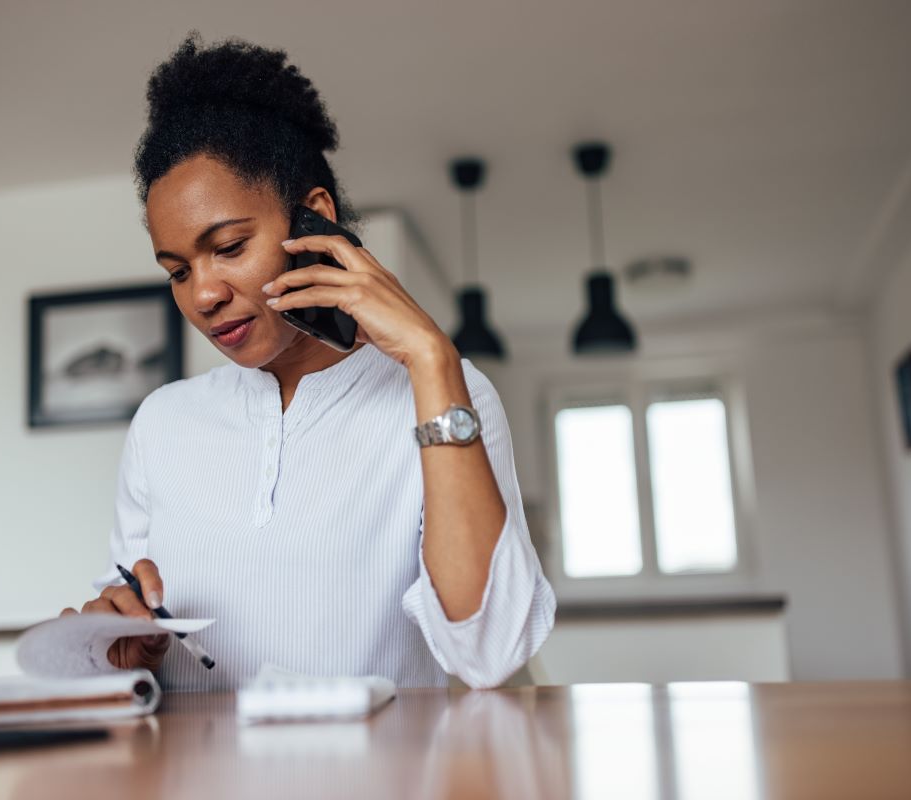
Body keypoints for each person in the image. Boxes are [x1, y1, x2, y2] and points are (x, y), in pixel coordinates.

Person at [64, 34, 555, 690]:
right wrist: (120, 643)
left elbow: (490, 654)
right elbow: (128, 630)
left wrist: (432, 358)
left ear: (313, 219)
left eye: (230, 246)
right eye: (178, 270)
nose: (204, 294)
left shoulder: (443, 394)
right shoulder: (163, 422)